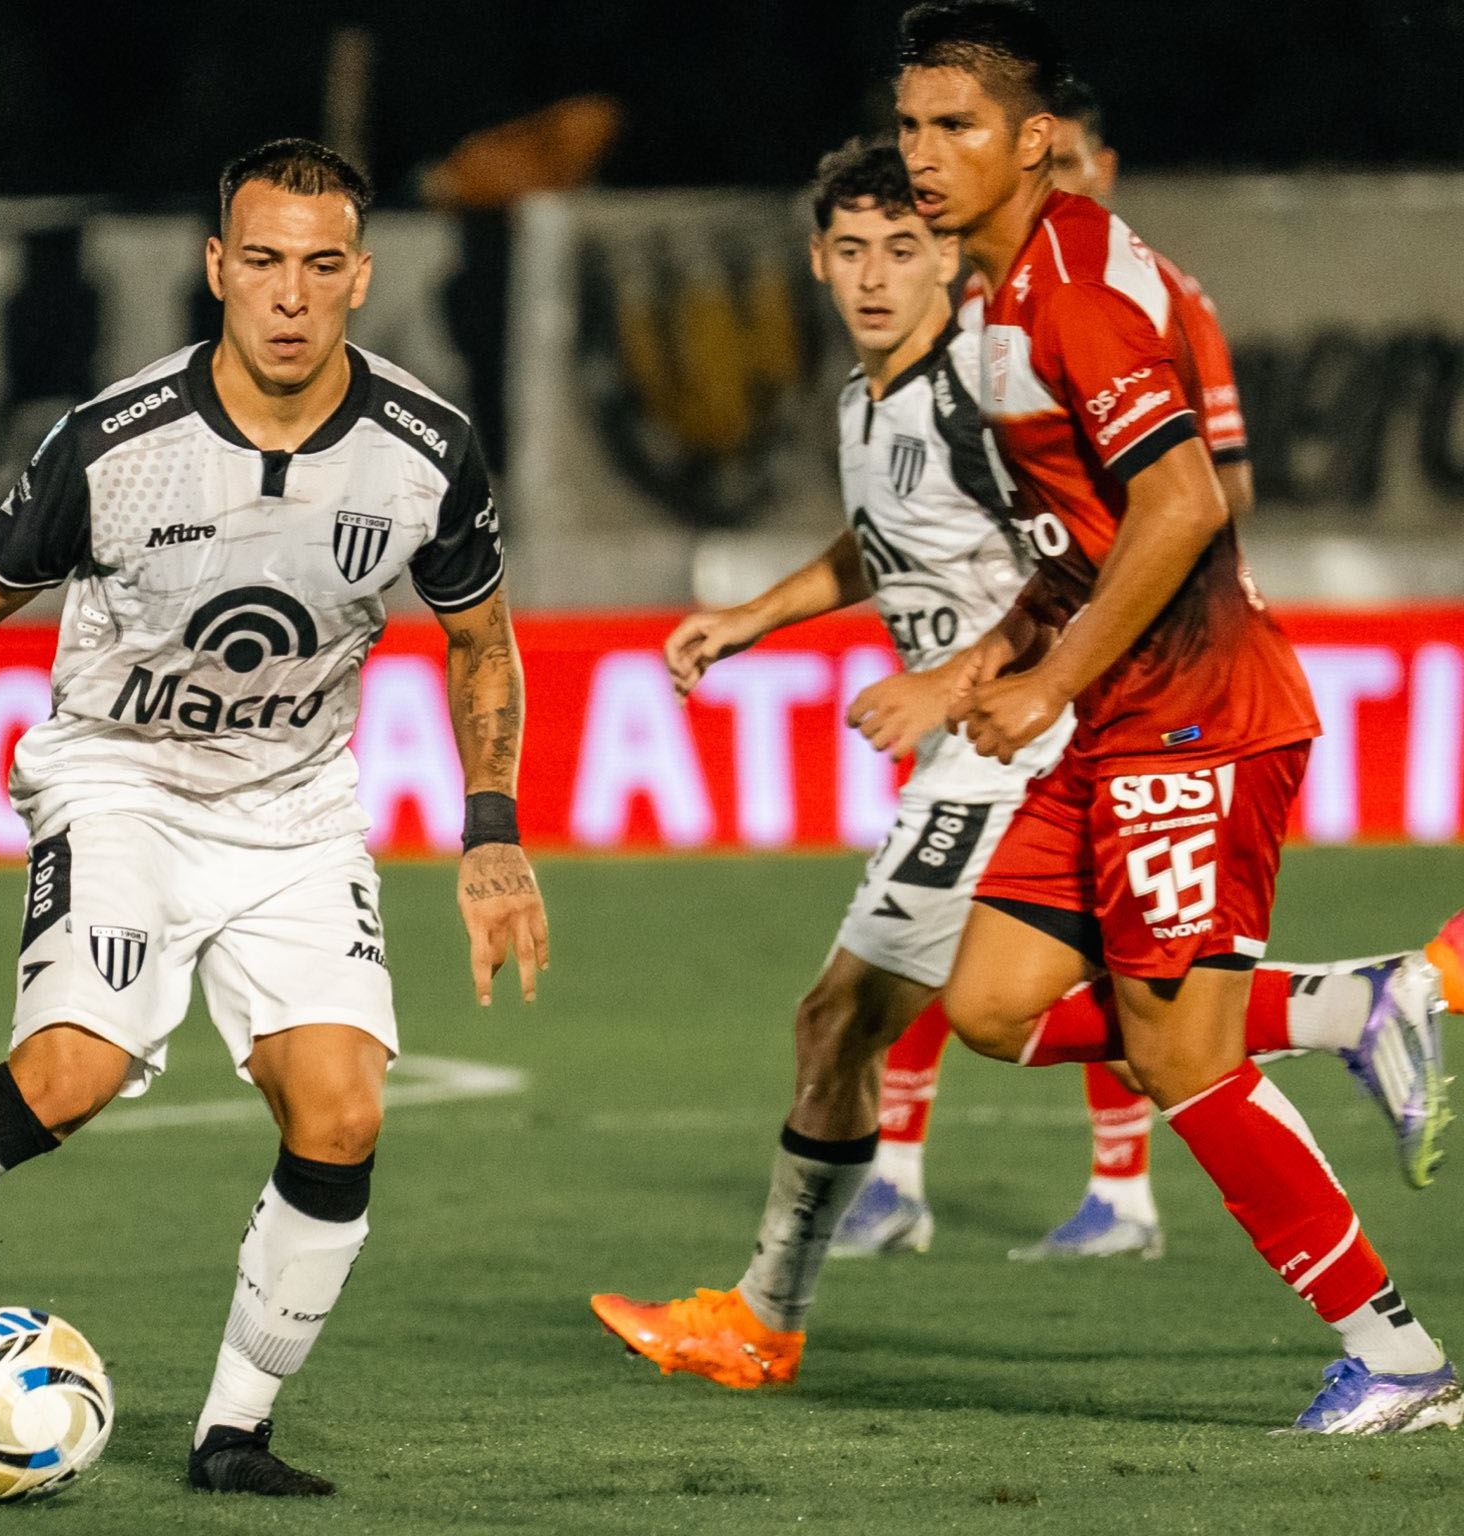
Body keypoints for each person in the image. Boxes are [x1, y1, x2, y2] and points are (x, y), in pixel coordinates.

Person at [0, 138, 550, 1496]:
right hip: (120, 778)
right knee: (68, 1068)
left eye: (319, 267)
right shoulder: (118, 445)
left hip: (296, 808)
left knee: (343, 1112)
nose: (289, 298)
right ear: (215, 270)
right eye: (261, 264)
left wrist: (492, 833)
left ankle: (232, 1435)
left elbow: (483, 643)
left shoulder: (427, 452)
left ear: (362, 276)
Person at [584, 137, 1453, 1396]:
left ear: (946, 251)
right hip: (998, 728)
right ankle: (1350, 1006)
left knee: (850, 1015)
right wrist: (753, 619)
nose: (875, 278)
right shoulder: (868, 397)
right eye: (848, 251)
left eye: (902, 247)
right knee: (999, 1013)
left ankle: (764, 1317)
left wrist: (963, 681)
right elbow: (878, 542)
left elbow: (1088, 546)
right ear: (814, 261)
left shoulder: (979, 388)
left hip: (1027, 735)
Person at [894, 0, 1459, 1433]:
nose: (923, 153)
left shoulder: (1078, 291)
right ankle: (1355, 1001)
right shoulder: (999, 296)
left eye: (956, 126)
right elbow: (1078, 540)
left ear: (1036, 144)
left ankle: (1400, 1364)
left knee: (1182, 1058)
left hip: (1196, 714)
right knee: (995, 1007)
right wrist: (976, 677)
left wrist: (1053, 680)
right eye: (909, 124)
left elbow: (1190, 499)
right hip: (1118, 720)